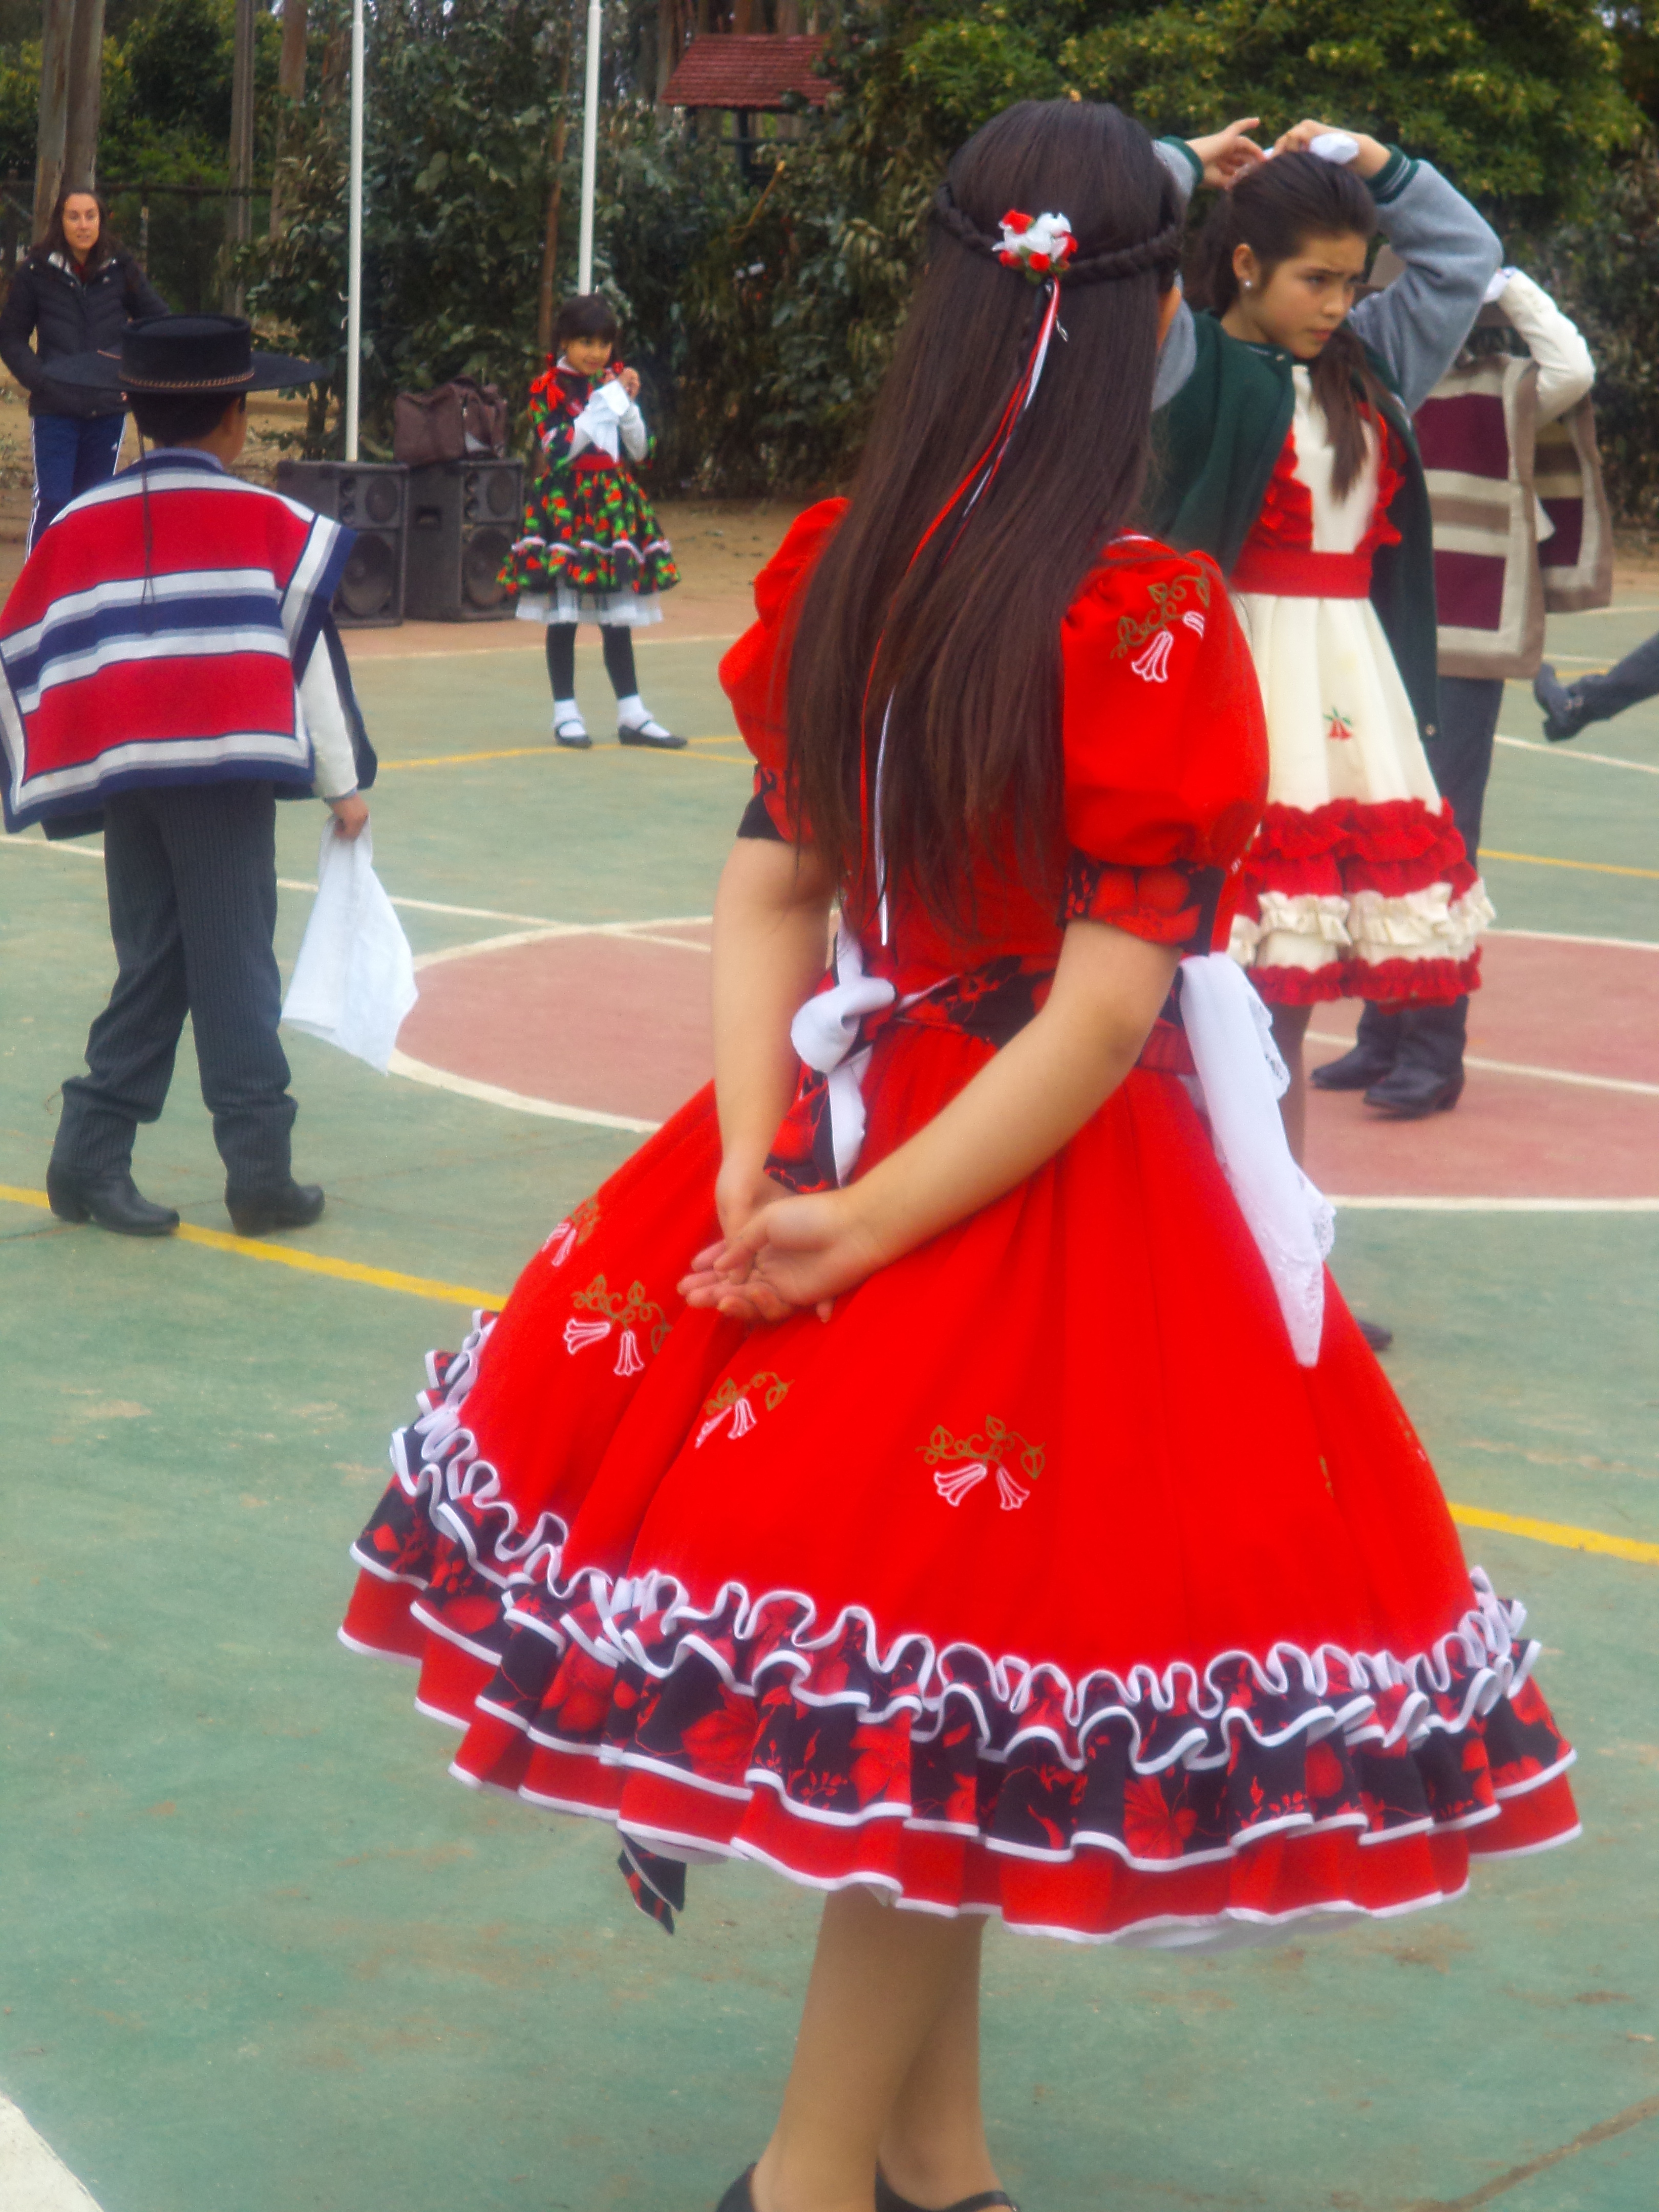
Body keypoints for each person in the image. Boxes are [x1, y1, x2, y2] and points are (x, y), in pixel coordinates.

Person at [337, 100, 1576, 2212]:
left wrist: (763, 1162)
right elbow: (1096, 1014)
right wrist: (849, 1227)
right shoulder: (1140, 613)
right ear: (1148, 327)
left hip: (849, 1127)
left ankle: (936, 2151)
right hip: (1029, 1180)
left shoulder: (847, 557)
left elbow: (775, 886)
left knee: (959, 1694)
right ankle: (808, 2184)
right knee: (961, 1695)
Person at [1147, 121, 1500, 1151]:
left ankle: (1279, 1234)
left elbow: (1466, 257)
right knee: (1184, 994)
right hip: (1219, 682)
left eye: (1352, 280)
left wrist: (1374, 162)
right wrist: (1181, 163)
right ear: (1244, 264)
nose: (1340, 303)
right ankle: (1189, 1220)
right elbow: (1096, 247)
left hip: (1342, 705)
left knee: (1277, 1008)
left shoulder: (1371, 363)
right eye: (1316, 280)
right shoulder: (1184, 357)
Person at [0, 315, 373, 1240]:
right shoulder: (270, 522)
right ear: (237, 419)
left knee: (157, 958)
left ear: (133, 411)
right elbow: (308, 658)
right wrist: (343, 781)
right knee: (235, 965)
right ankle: (260, 1175)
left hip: (128, 777)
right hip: (225, 777)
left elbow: (29, 641)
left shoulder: (80, 523)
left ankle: (89, 1153)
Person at [1317, 265, 1604, 1109]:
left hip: (1464, 646)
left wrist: (1507, 285)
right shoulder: (1380, 380)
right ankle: (1382, 1032)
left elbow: (1574, 368)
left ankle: (1435, 1052)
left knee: (1440, 842)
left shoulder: (1506, 388)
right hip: (1379, 635)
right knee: (1380, 833)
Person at [501, 292, 683, 750]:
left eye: (604, 343)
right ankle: (565, 713)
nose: (596, 353)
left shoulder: (611, 384)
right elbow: (560, 450)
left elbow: (641, 451)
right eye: (586, 342)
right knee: (563, 615)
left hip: (612, 507)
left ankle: (632, 714)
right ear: (564, 340)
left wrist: (627, 407)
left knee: (616, 615)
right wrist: (606, 402)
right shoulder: (546, 388)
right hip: (566, 510)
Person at [0, 184, 167, 550]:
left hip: (106, 409)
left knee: (92, 505)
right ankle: (40, 583)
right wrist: (41, 379)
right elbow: (10, 337)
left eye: (90, 216)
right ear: (60, 222)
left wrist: (133, 376)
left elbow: (158, 324)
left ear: (101, 221)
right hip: (54, 409)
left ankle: (86, 583)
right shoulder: (36, 270)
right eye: (74, 217)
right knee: (55, 501)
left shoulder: (121, 268)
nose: (83, 225)